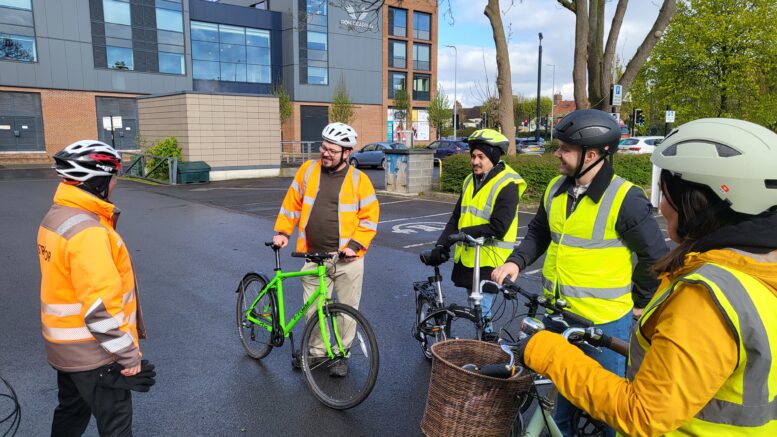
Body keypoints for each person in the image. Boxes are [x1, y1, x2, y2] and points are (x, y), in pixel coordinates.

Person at [510, 118, 777, 435]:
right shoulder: (753, 269)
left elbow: (640, 414)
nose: (661, 206)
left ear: (700, 201)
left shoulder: (707, 297)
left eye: (665, 194)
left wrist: (546, 350)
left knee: (606, 417)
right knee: (566, 410)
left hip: (604, 318)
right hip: (563, 312)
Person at [492, 109, 668, 437]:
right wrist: (515, 262)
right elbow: (538, 233)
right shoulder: (557, 189)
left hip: (604, 325)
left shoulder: (625, 198)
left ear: (591, 155)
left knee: (608, 414)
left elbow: (655, 257)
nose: (557, 153)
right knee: (562, 406)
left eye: (565, 148)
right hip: (558, 316)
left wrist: (641, 303)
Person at [38, 140, 154, 436]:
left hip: (65, 351)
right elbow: (99, 308)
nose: (115, 183)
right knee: (115, 427)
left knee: (70, 416)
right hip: (97, 356)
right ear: (98, 180)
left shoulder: (56, 217)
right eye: (113, 176)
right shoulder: (89, 232)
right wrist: (128, 356)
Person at [272, 122, 379, 377]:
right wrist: (283, 231)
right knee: (313, 309)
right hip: (313, 256)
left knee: (347, 312)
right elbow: (292, 203)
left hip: (346, 261)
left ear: (346, 153)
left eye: (332, 150)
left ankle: (340, 355)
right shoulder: (308, 170)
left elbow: (370, 218)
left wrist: (354, 246)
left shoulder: (359, 180)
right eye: (324, 147)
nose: (325, 153)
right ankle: (318, 352)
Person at [429, 128, 526, 337]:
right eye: (473, 156)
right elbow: (457, 217)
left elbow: (499, 227)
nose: (475, 161)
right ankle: (483, 346)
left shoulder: (507, 184)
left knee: (482, 311)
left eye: (481, 156)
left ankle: (487, 348)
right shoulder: (469, 180)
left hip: (492, 260)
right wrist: (441, 244)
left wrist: (464, 233)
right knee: (477, 310)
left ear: (493, 157)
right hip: (470, 259)